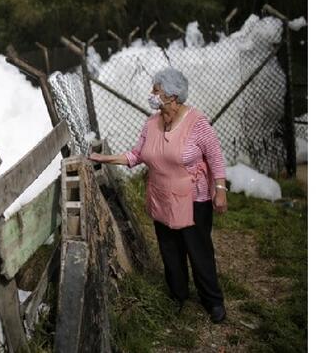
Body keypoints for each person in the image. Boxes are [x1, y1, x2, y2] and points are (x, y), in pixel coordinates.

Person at [88, 67, 228, 323]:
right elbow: (136, 155)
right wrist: (104, 158)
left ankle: (213, 301)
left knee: (198, 251)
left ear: (172, 96)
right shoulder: (151, 123)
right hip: (161, 197)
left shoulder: (198, 123)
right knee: (170, 250)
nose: (151, 94)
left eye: (156, 90)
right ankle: (178, 296)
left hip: (193, 200)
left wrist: (220, 189)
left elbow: (215, 156)